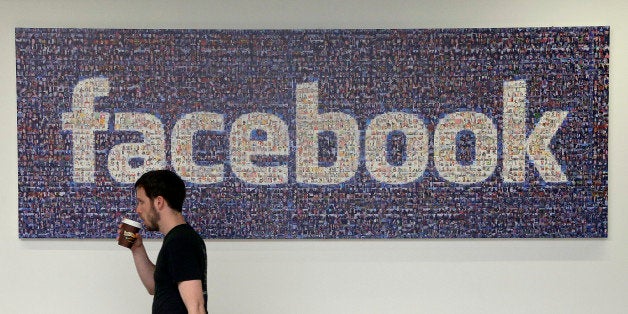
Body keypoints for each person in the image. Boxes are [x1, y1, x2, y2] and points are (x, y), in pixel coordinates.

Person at [118, 169, 207, 314]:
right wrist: (137, 249)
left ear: (159, 202)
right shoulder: (176, 239)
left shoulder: (180, 241)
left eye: (141, 202)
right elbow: (154, 287)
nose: (138, 209)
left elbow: (196, 307)